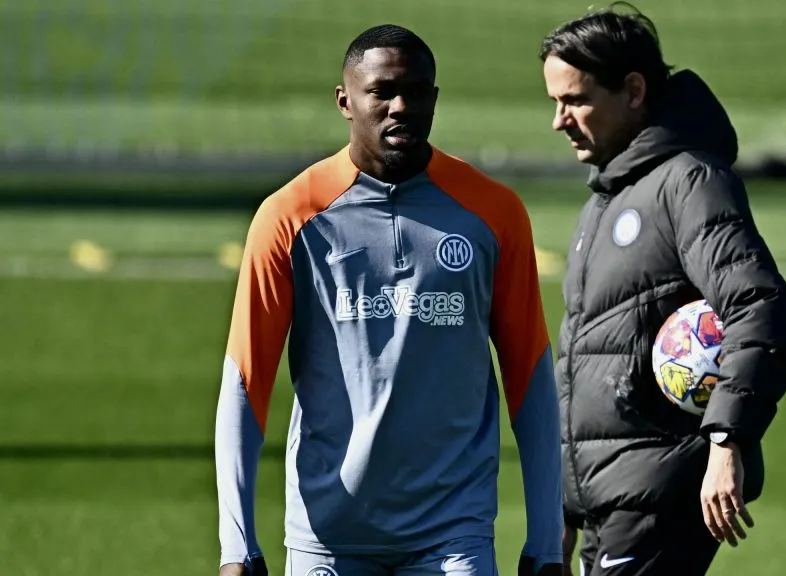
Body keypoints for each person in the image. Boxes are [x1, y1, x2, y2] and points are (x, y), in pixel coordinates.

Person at [215, 24, 563, 576]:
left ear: (434, 98)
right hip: (328, 537)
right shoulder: (290, 216)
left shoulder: (494, 214)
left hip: (453, 532)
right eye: (382, 92)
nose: (401, 106)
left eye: (417, 91)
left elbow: (532, 379)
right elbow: (244, 381)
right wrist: (236, 546)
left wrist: (547, 539)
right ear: (345, 101)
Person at [538, 4, 786, 575]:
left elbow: (761, 309)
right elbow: (586, 362)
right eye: (555, 102)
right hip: (607, 502)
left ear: (633, 90)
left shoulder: (690, 182)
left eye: (575, 100)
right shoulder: (604, 199)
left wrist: (727, 441)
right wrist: (561, 504)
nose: (559, 120)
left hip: (658, 492)